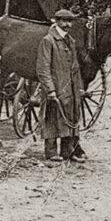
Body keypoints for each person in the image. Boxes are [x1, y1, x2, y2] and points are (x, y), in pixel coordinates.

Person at [36, 9, 86, 163]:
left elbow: (76, 68)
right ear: (56, 21)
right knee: (52, 118)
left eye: (69, 21)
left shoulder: (70, 41)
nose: (67, 25)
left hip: (70, 89)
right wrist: (50, 90)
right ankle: (51, 152)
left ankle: (67, 151)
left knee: (70, 118)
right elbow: (43, 68)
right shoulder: (48, 40)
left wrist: (80, 88)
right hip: (56, 88)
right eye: (64, 21)